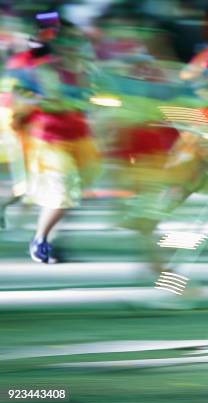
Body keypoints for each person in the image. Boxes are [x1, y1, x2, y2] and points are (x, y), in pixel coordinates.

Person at [5, 13, 99, 263]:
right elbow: (17, 93)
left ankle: (54, 237)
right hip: (47, 139)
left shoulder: (85, 70)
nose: (73, 45)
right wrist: (42, 102)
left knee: (76, 192)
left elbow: (90, 98)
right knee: (62, 191)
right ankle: (41, 239)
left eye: (77, 40)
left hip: (81, 138)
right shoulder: (42, 67)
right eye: (67, 40)